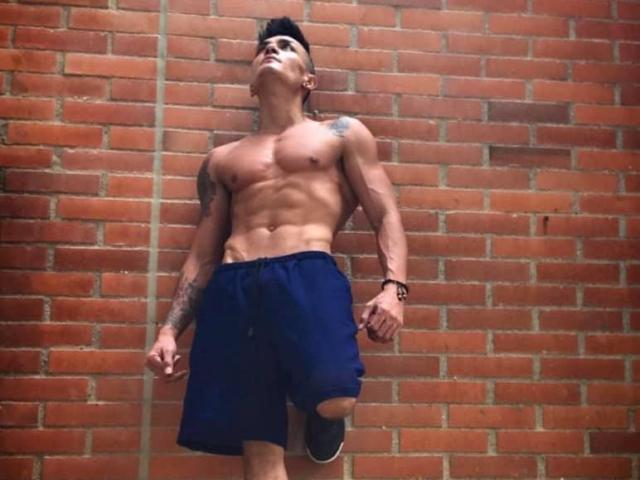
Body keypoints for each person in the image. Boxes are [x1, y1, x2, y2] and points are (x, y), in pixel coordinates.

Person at [145, 17, 408, 480]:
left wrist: (394, 289)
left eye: (286, 46)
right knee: (259, 451)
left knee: (335, 396)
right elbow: (203, 254)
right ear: (251, 84)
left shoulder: (341, 134)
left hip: (307, 272)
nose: (272, 49)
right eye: (264, 47)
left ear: (309, 80)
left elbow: (384, 214)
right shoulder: (221, 160)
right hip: (235, 287)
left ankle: (321, 415)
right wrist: (169, 330)